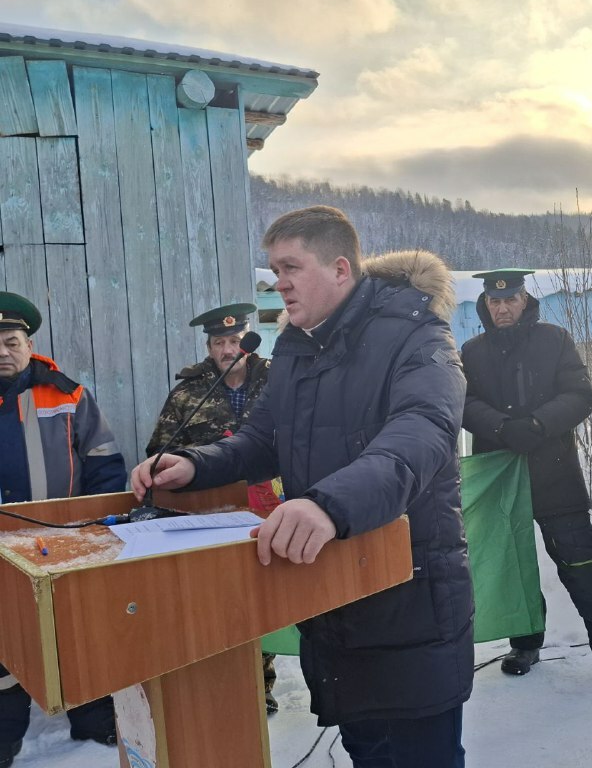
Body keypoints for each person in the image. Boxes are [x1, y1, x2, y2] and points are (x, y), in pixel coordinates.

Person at [131, 206, 473, 768]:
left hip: (408, 594)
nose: (279, 283)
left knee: (418, 756)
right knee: (367, 751)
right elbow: (262, 437)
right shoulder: (295, 347)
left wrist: (327, 505)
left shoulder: (416, 334)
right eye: (273, 270)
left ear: (340, 269)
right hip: (332, 594)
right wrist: (195, 464)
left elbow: (421, 433)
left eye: (290, 267)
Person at [460, 269, 592, 690]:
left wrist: (538, 424)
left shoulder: (554, 340)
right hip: (499, 475)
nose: (503, 308)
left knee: (583, 567)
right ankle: (525, 644)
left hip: (554, 473)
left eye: (510, 300)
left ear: (525, 301)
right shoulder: (472, 351)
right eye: (495, 301)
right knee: (514, 566)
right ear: (486, 304)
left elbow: (580, 395)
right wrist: (501, 427)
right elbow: (462, 401)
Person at [0, 292, 126, 767]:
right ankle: (4, 737)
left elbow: (103, 462)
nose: (2, 352)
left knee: (76, 635)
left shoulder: (67, 393)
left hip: (63, 545)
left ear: (29, 345)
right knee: (3, 642)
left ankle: (93, 722)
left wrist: (95, 532)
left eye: (11, 341)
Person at [146, 302, 281, 713]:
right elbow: (159, 452)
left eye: (234, 340)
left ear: (248, 342)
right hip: (214, 513)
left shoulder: (278, 379)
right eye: (219, 343)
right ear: (209, 348)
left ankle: (261, 684)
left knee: (266, 594)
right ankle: (222, 683)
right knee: (222, 597)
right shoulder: (188, 392)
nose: (228, 350)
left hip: (272, 504)